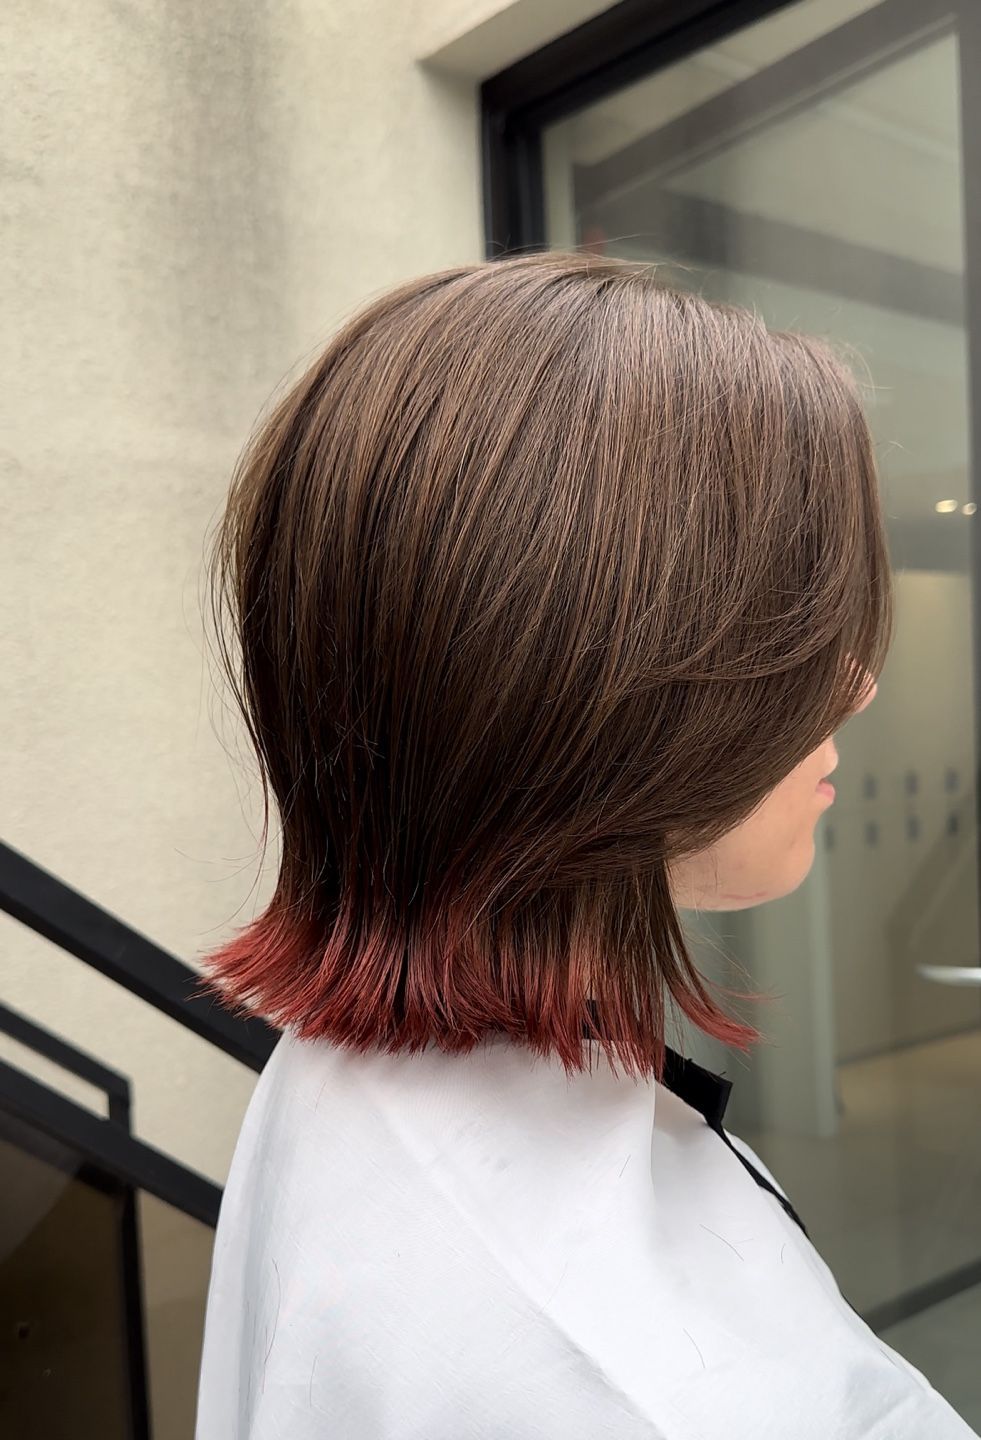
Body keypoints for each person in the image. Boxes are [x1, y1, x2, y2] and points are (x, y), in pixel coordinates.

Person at [194, 252, 977, 1438]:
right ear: (582, 680)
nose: (859, 688)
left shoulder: (341, 1078)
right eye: (793, 632)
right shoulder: (626, 1386)